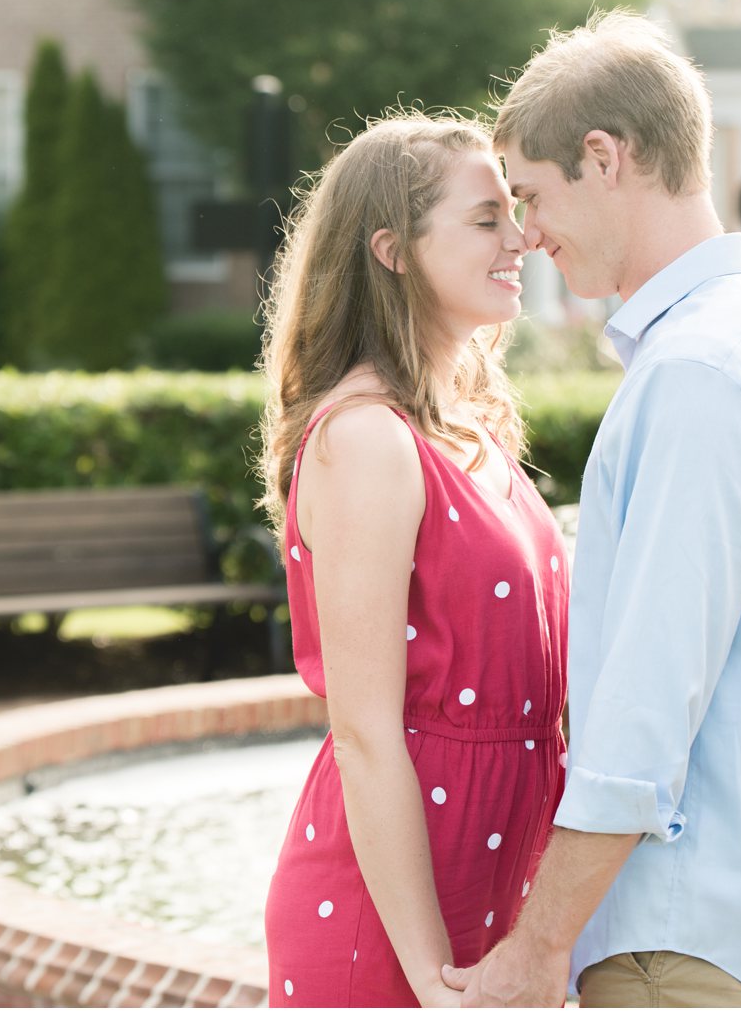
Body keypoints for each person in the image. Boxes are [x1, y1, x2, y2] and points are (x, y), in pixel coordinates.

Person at [441, 9, 741, 1007]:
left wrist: (538, 943)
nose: (526, 232)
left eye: (532, 194)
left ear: (604, 156)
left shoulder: (699, 374)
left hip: (686, 947)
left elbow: (642, 715)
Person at [259, 110, 571, 1007]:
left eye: (515, 212)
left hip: (491, 883)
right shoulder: (367, 441)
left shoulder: (470, 426)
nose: (522, 238)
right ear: (393, 250)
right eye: (487, 220)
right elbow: (363, 733)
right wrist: (437, 983)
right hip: (392, 921)